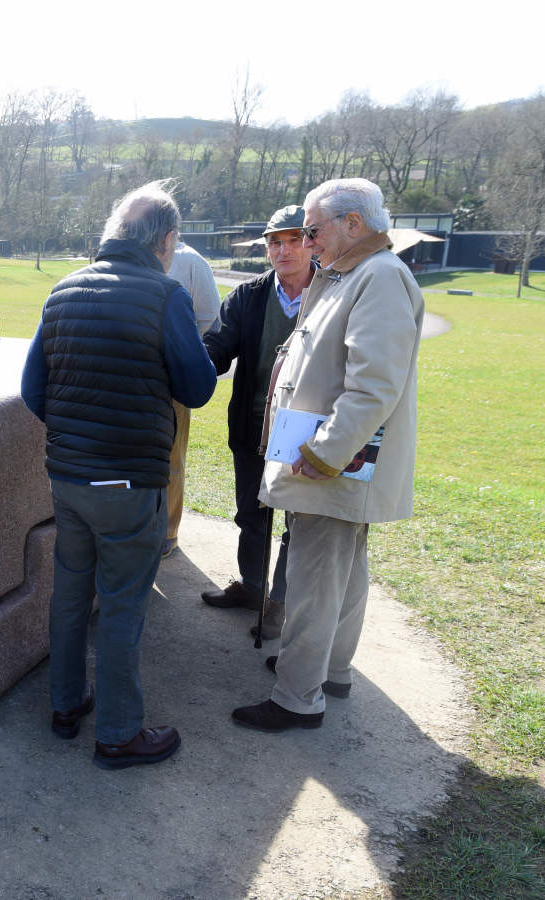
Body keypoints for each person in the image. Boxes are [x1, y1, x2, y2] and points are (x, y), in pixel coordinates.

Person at [21, 180, 216, 769]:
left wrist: (78, 435)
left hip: (69, 478)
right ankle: (118, 733)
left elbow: (34, 389)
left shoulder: (62, 290)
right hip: (130, 483)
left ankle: (65, 704)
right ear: (166, 241)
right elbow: (198, 387)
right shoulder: (164, 294)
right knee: (125, 604)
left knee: (71, 592)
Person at [232, 179, 423, 732]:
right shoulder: (354, 274)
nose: (308, 241)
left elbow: (373, 387)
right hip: (330, 461)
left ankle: (297, 697)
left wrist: (325, 453)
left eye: (313, 230)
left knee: (317, 576)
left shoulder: (379, 277)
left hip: (331, 464)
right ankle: (329, 670)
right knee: (343, 567)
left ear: (353, 225)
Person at [199, 206, 314, 639]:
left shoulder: (333, 291)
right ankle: (251, 587)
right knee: (251, 512)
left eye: (293, 239)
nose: (282, 250)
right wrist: (180, 369)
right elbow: (215, 348)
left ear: (311, 241)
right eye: (274, 242)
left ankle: (280, 603)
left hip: (306, 430)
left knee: (297, 521)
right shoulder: (249, 296)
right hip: (252, 426)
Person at [161, 240, 221, 557]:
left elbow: (210, 315)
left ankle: (168, 531)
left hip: (174, 380)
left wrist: (183, 349)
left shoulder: (191, 262)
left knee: (171, 459)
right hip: (138, 379)